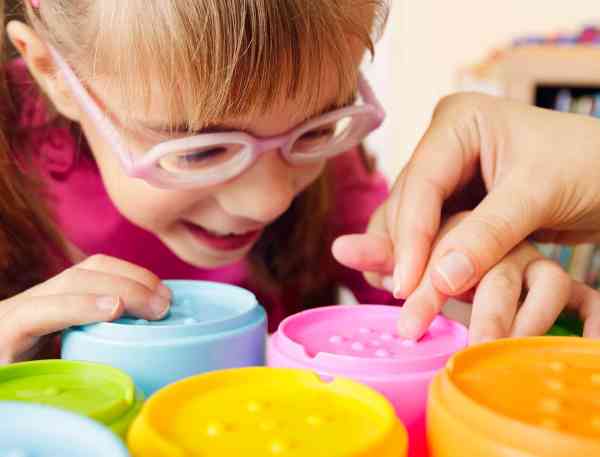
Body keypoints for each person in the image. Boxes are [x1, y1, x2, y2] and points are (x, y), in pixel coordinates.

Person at [0, 0, 581, 363]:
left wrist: (467, 281)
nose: (270, 198)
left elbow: (414, 301)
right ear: (53, 70)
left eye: (315, 128)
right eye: (201, 150)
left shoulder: (337, 170)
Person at [335, 92, 600, 341]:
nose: (290, 193)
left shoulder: (343, 176)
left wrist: (469, 280)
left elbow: (402, 304)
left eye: (318, 130)